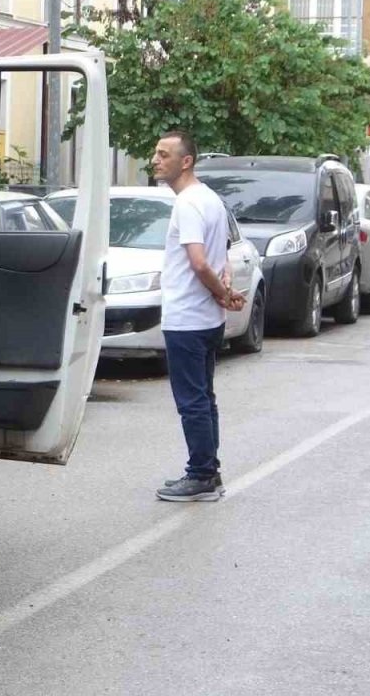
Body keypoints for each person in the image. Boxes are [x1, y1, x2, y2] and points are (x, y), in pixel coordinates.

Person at [151, 131, 246, 502]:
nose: (156, 160)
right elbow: (220, 256)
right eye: (156, 154)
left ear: (185, 161)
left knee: (192, 401)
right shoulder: (211, 199)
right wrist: (225, 288)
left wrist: (223, 292)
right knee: (205, 398)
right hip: (207, 318)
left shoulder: (188, 204)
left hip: (188, 319)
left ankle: (201, 475)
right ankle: (210, 471)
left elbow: (199, 262)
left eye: (164, 154)